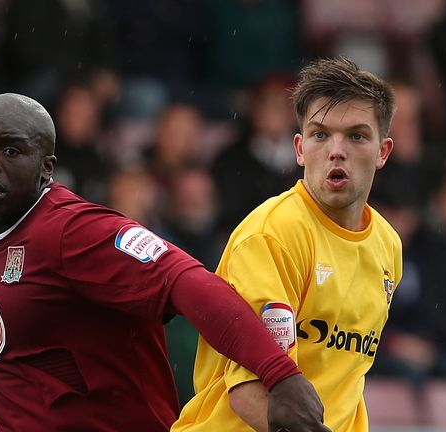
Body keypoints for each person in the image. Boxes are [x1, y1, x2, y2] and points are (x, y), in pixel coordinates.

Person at [0, 93, 330, 432]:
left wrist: (279, 374)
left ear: (47, 168)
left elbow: (187, 281)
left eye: (11, 151)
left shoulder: (72, 231)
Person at [172, 57, 403, 431]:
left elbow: (344, 375)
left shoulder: (388, 245)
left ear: (383, 152)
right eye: (320, 134)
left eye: (357, 136)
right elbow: (252, 392)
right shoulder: (271, 235)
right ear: (299, 148)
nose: (336, 150)